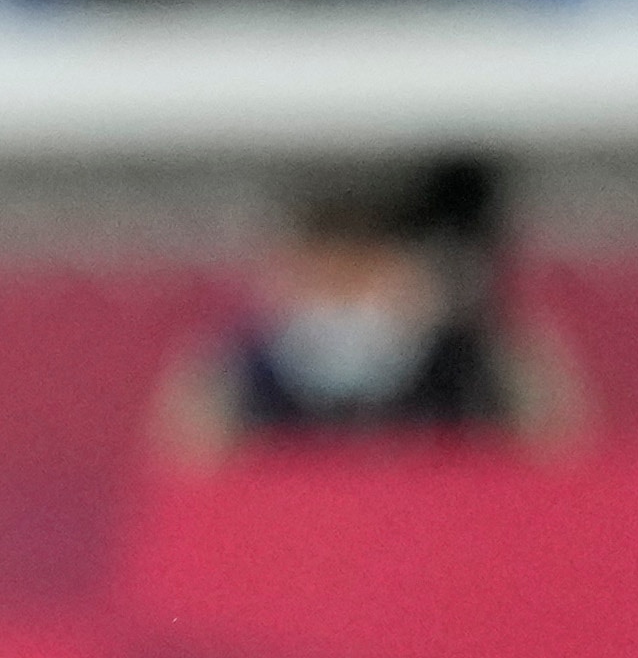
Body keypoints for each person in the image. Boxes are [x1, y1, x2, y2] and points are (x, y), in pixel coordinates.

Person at [155, 160, 580, 462]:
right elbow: (184, 477)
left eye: (361, 275)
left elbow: (557, 457)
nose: (344, 299)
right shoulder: (244, 372)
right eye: (327, 278)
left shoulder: (469, 366)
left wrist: (498, 345)